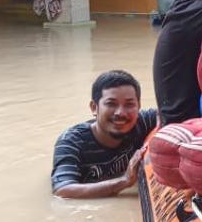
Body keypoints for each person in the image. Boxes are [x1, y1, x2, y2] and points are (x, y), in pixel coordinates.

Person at [51, 70, 157, 198]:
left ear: (138, 106)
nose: (120, 113)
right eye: (111, 104)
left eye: (129, 104)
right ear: (94, 107)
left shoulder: (142, 122)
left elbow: (171, 114)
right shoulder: (72, 142)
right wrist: (124, 181)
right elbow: (63, 190)